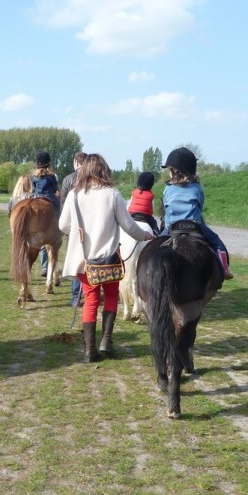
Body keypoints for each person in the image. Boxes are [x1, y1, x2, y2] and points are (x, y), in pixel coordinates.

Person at [59, 153, 154, 362]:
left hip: (85, 260)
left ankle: (89, 351)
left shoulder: (74, 195)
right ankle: (106, 342)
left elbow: (62, 225)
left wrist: (78, 233)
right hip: (110, 258)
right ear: (104, 170)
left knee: (91, 300)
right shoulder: (113, 194)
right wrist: (146, 235)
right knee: (111, 297)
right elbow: (129, 226)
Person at [161, 147, 233, 279]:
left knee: (155, 245)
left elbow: (166, 208)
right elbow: (200, 206)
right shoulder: (196, 188)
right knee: (216, 241)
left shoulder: (168, 189)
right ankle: (224, 268)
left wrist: (167, 226)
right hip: (194, 226)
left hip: (172, 227)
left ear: (172, 172)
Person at [59, 152, 86, 306]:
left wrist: (66, 228)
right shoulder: (93, 179)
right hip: (90, 226)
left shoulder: (68, 180)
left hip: (74, 227)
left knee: (76, 259)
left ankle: (76, 296)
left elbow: (63, 205)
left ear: (76, 162)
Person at [32, 151, 60, 276]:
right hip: (49, 197)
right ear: (48, 163)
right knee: (59, 206)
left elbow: (34, 188)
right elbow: (55, 190)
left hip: (37, 197)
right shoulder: (51, 176)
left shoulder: (34, 176)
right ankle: (60, 226)